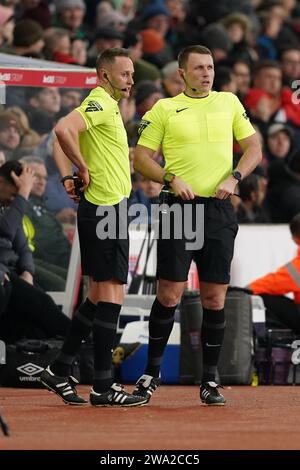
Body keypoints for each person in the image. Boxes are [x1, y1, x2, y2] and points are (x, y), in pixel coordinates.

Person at [133, 44, 262, 405]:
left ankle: (210, 379)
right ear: (182, 74)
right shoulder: (165, 108)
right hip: (179, 208)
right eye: (199, 68)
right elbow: (141, 158)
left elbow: (254, 148)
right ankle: (150, 373)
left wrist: (235, 177)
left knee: (214, 297)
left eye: (210, 67)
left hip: (219, 209)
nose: (207, 74)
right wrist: (170, 177)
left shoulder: (229, 102)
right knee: (169, 294)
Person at [40, 48, 146, 407]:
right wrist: (81, 169)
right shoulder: (100, 102)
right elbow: (61, 129)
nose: (131, 80)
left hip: (105, 207)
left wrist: (68, 174)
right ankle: (103, 386)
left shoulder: (104, 105)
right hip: (106, 209)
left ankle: (59, 368)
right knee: (113, 293)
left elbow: (59, 140)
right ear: (104, 76)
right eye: (125, 74)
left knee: (99, 295)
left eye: (132, 74)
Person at [0, 160, 70, 343]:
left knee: (38, 315)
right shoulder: (17, 204)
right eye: (13, 194)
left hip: (11, 271)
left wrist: (27, 271)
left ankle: (83, 349)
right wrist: (23, 194)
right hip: (4, 273)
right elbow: (5, 229)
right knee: (41, 306)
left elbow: (21, 243)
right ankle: (85, 346)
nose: (14, 199)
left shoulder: (8, 204)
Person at [248, 213, 300, 334]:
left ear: (295, 239)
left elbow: (263, 286)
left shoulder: (295, 269)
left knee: (261, 297)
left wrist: (241, 292)